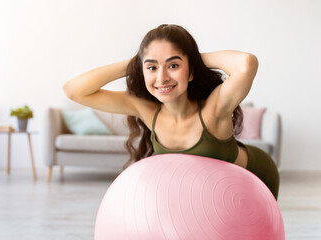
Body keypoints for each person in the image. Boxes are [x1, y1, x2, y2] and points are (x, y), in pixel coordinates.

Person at [63, 24, 279, 199]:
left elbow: (246, 64)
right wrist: (136, 62)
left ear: (191, 71)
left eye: (173, 65)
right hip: (206, 193)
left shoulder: (214, 109)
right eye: (152, 67)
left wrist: (193, 57)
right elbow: (74, 91)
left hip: (256, 175)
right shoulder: (146, 110)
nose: (162, 77)